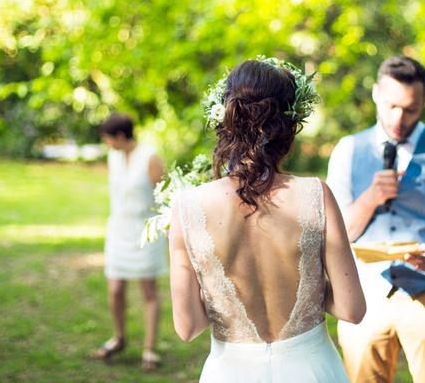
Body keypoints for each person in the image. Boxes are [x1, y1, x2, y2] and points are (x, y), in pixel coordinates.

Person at [168, 58, 366, 382]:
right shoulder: (316, 195)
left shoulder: (188, 207)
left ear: (225, 118)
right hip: (311, 369)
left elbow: (188, 327)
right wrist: (310, 291)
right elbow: (352, 310)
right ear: (289, 126)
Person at [327, 56, 425, 383]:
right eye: (391, 105)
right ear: (375, 94)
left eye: (410, 109)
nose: (399, 118)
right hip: (364, 297)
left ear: (424, 101)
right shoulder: (347, 150)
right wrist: (369, 198)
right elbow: (340, 235)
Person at [90, 113, 168, 370]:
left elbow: (166, 197)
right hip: (118, 229)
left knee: (148, 289)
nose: (107, 144)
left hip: (145, 231)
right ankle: (119, 338)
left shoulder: (150, 157)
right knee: (115, 289)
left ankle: (149, 349)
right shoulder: (113, 157)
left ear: (121, 136)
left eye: (108, 139)